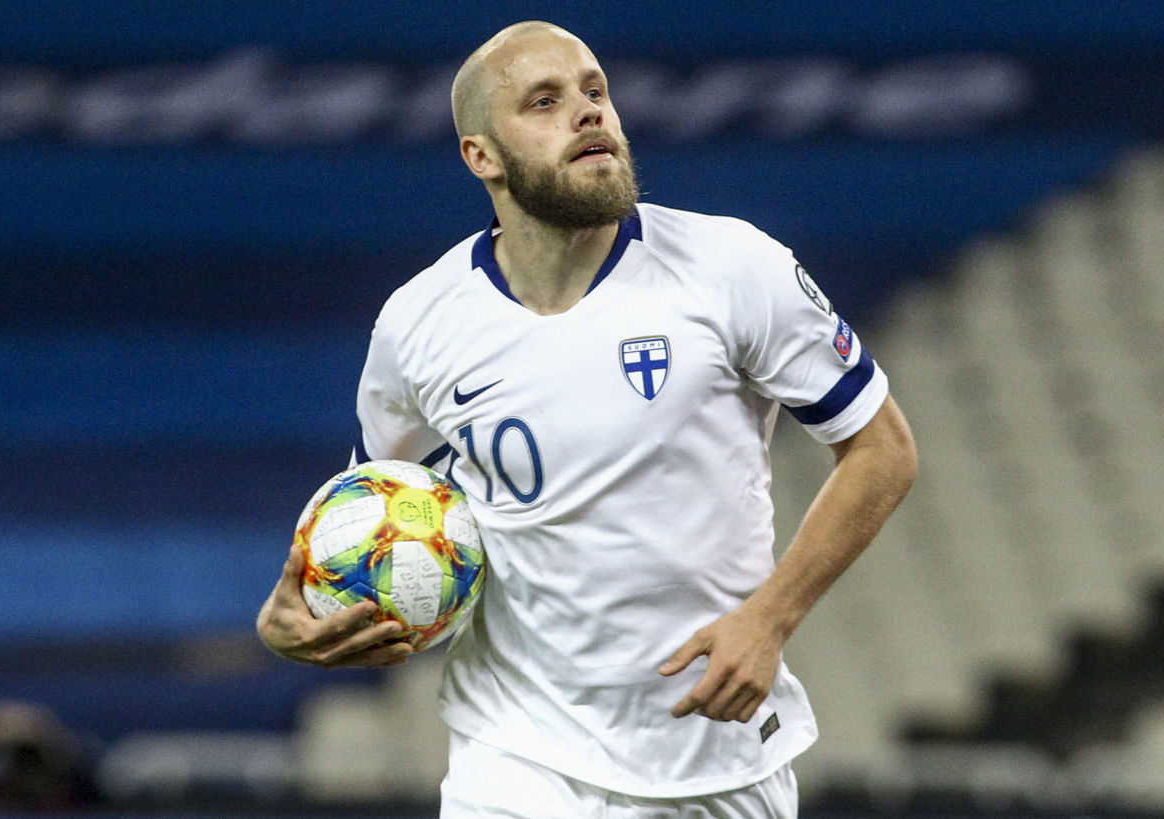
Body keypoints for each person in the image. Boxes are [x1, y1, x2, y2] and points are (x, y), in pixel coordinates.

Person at [258, 20, 917, 818]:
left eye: (595, 90)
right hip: (513, 757)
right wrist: (304, 613)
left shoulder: (732, 268)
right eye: (545, 101)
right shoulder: (419, 323)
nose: (588, 111)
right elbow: (376, 512)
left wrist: (769, 619)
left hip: (714, 758)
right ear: (482, 156)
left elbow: (882, 448)